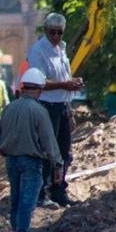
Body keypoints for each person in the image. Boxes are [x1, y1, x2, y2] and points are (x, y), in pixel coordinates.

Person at [0, 68, 62, 232]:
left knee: (15, 198)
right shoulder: (39, 111)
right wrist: (57, 165)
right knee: (27, 201)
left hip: (11, 160)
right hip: (31, 162)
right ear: (39, 89)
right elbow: (49, 141)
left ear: (23, 88)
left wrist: (4, 149)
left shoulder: (10, 108)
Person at [28, 12, 83, 207]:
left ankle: (58, 191)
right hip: (46, 106)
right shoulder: (38, 51)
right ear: (45, 30)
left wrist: (71, 89)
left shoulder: (61, 49)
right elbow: (39, 82)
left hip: (62, 106)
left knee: (64, 153)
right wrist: (65, 85)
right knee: (46, 152)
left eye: (60, 33)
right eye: (53, 32)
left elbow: (63, 78)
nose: (56, 36)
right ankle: (40, 194)